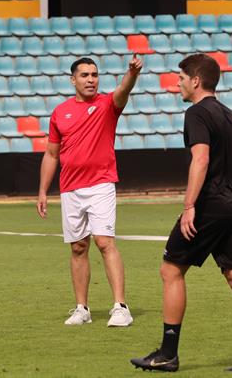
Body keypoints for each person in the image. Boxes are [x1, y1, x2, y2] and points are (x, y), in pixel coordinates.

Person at [130, 54, 232, 372]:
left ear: (195, 80)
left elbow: (201, 160)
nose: (177, 83)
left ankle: (167, 353)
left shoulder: (196, 113)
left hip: (211, 205)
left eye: (181, 77)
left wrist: (189, 206)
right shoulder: (229, 115)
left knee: (171, 270)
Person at [37, 56, 143, 326]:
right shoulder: (60, 112)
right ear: (73, 80)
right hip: (70, 188)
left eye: (94, 75)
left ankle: (120, 307)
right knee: (78, 247)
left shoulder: (108, 104)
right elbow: (51, 154)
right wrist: (42, 191)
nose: (91, 79)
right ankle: (81, 309)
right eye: (84, 75)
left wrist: (132, 74)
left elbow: (124, 90)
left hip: (101, 184)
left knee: (105, 242)